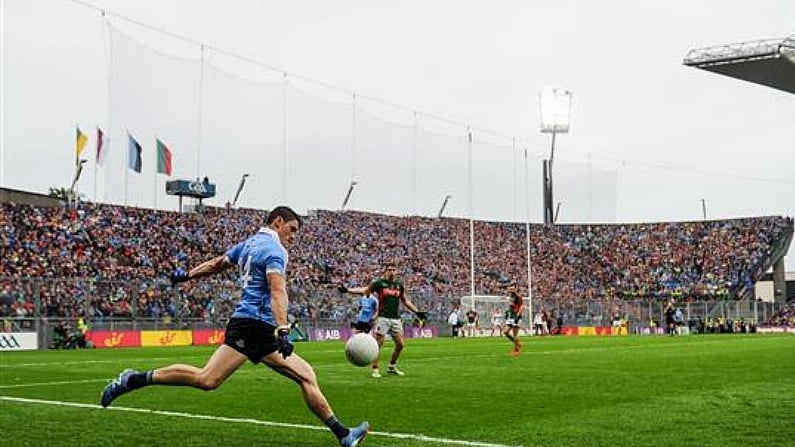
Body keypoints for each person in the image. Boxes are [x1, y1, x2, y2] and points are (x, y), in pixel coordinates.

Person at [99, 206, 369, 447]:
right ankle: (132, 379)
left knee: (304, 375)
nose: (294, 235)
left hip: (253, 326)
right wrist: (283, 329)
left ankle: (344, 435)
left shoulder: (248, 244)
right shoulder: (276, 250)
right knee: (208, 379)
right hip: (254, 325)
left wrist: (187, 275)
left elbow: (217, 264)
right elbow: (278, 291)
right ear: (277, 222)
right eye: (292, 228)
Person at [338, 263, 426, 378]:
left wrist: (417, 311)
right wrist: (348, 290)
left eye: (394, 270)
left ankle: (392, 366)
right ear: (385, 271)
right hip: (383, 318)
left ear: (397, 272)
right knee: (378, 344)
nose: (392, 272)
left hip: (395, 319)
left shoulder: (399, 285)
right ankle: (375, 368)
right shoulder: (380, 284)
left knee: (400, 345)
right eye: (389, 270)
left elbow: (405, 301)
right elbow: (366, 290)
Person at [502, 284, 523, 356]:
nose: (511, 290)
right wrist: (507, 312)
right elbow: (511, 306)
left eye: (513, 289)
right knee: (505, 332)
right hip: (510, 316)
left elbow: (521, 306)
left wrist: (518, 315)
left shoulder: (518, 296)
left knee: (515, 334)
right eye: (510, 289)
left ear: (516, 289)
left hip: (516, 316)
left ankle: (517, 350)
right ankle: (517, 344)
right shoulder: (511, 296)